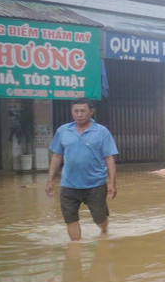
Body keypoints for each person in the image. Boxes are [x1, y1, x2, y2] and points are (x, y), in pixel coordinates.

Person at [44, 99, 119, 241]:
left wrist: (112, 183)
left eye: (83, 111)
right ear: (71, 112)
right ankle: (75, 247)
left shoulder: (102, 132)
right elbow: (57, 156)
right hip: (68, 184)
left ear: (91, 111)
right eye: (76, 111)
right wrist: (50, 180)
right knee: (70, 219)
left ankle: (104, 231)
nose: (79, 115)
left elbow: (109, 158)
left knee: (99, 217)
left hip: (95, 184)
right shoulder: (63, 131)